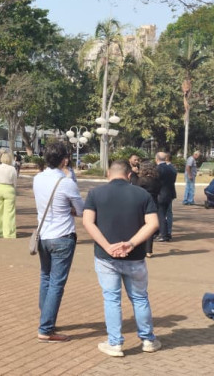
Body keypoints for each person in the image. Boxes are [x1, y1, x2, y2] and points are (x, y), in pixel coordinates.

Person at [82, 160, 161, 357]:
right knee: (140, 297)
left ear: (108, 173)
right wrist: (131, 243)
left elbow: (88, 222)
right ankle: (148, 339)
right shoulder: (142, 194)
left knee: (112, 299)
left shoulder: (95, 194)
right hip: (134, 256)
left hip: (105, 256)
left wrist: (107, 246)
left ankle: (115, 342)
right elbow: (153, 224)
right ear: (129, 175)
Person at [33, 142, 84, 343]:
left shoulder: (37, 178)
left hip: (43, 236)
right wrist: (69, 209)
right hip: (62, 237)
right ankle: (46, 328)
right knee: (56, 283)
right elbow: (80, 210)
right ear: (65, 160)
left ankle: (46, 318)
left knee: (46, 277)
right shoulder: (66, 182)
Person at [0, 152, 18, 238]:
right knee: (9, 213)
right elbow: (15, 181)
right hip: (9, 189)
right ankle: (8, 233)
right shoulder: (12, 169)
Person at [136, 161, 161, 257]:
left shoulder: (142, 180)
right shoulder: (157, 180)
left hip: (142, 203)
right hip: (154, 203)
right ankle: (149, 250)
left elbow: (136, 190)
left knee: (139, 225)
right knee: (149, 227)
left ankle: (139, 247)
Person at [155, 152, 177, 242]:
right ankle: (167, 233)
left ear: (156, 158)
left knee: (161, 215)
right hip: (170, 193)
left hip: (160, 194)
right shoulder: (171, 168)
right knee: (167, 214)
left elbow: (155, 182)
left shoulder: (158, 169)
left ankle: (163, 234)